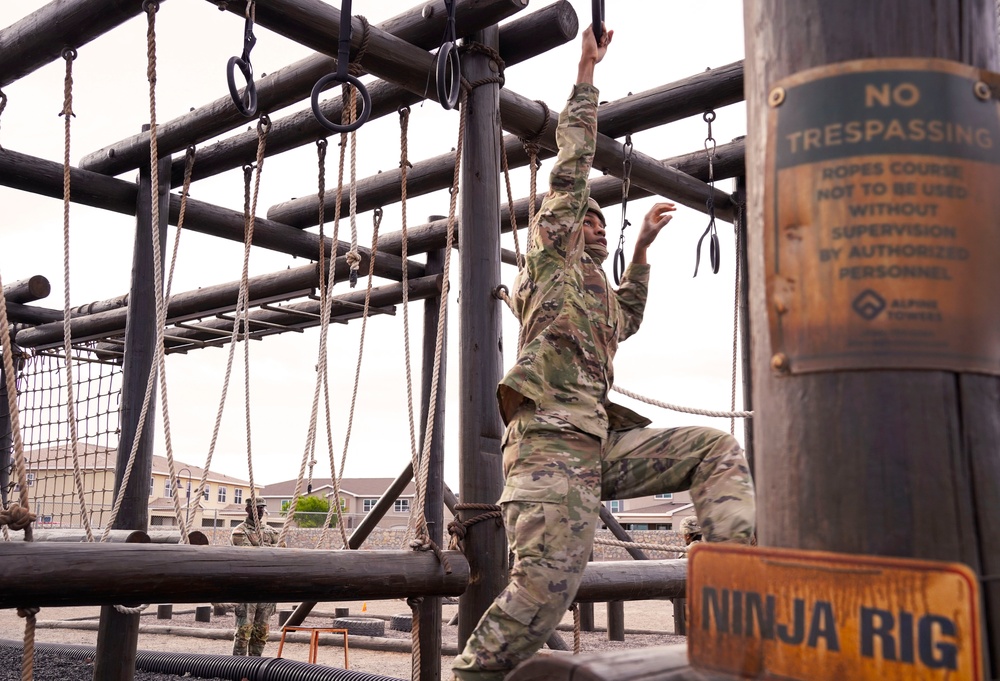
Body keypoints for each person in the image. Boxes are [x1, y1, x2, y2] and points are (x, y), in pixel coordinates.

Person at [451, 22, 755, 681]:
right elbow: (572, 167)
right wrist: (586, 76)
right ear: (561, 227)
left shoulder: (599, 295)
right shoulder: (552, 263)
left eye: (597, 221)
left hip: (598, 447)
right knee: (537, 606)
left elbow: (629, 317)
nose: (591, 222)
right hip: (548, 451)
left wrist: (641, 252)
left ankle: (737, 601)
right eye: (583, 216)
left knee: (716, 450)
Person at [231, 498, 279, 657]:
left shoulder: (272, 531)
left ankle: (255, 668)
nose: (260, 511)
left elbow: (280, 553)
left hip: (266, 588)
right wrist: (268, 550)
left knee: (261, 632)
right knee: (244, 632)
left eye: (262, 508)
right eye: (256, 508)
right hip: (248, 589)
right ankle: (238, 669)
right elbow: (248, 555)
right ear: (248, 510)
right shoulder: (239, 531)